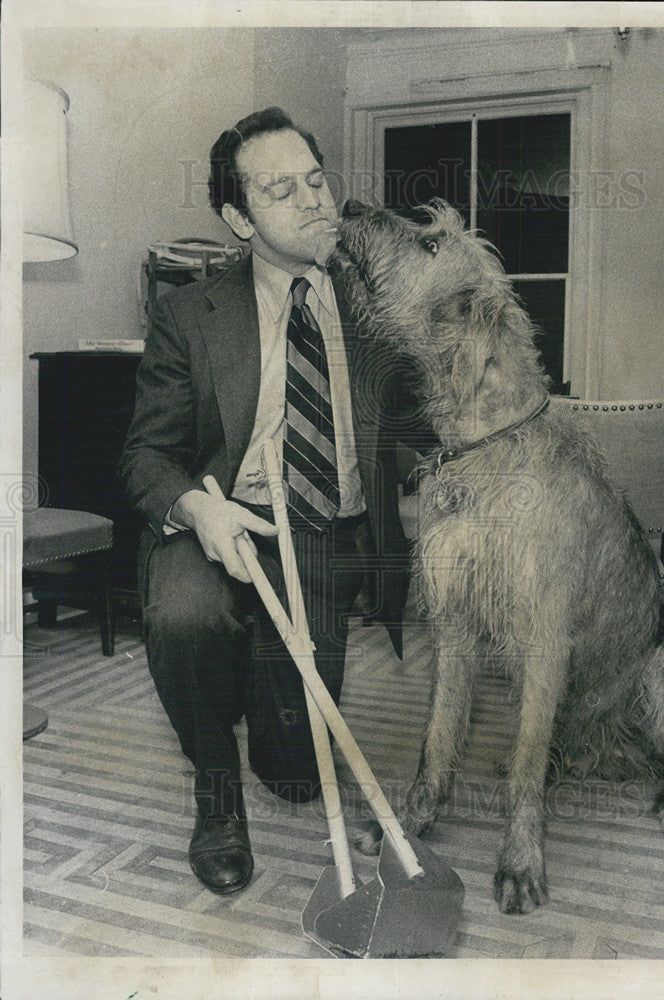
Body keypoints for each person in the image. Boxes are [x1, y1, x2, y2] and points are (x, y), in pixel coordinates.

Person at [119, 107, 432, 895]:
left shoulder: (376, 304)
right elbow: (145, 454)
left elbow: (426, 419)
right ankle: (215, 788)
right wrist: (198, 508)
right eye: (281, 189)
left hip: (326, 534)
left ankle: (267, 696)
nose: (313, 201)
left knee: (295, 772)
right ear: (238, 218)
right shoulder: (189, 313)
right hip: (226, 518)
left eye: (317, 180)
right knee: (188, 616)